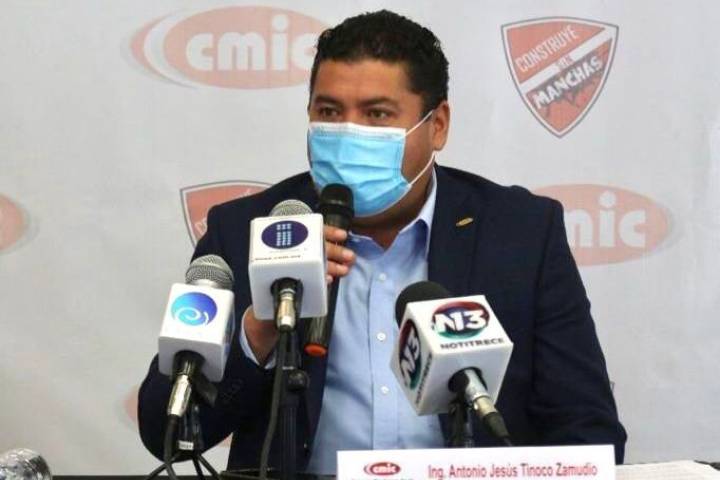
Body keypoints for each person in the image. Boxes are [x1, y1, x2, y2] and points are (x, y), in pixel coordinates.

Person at [138, 9, 627, 475]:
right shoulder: (249, 230)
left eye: (376, 114)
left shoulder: (521, 233)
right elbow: (164, 430)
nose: (348, 133)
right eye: (329, 111)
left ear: (437, 125)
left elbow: (589, 432)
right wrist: (259, 331)